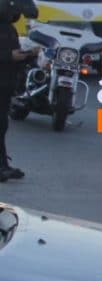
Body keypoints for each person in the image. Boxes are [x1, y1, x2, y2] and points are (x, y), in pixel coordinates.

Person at [0, 0, 39, 182]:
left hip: (6, 84)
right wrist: (10, 56)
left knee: (2, 126)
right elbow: (7, 55)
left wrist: (28, 55)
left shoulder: (9, 29)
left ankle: (3, 165)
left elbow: (13, 57)